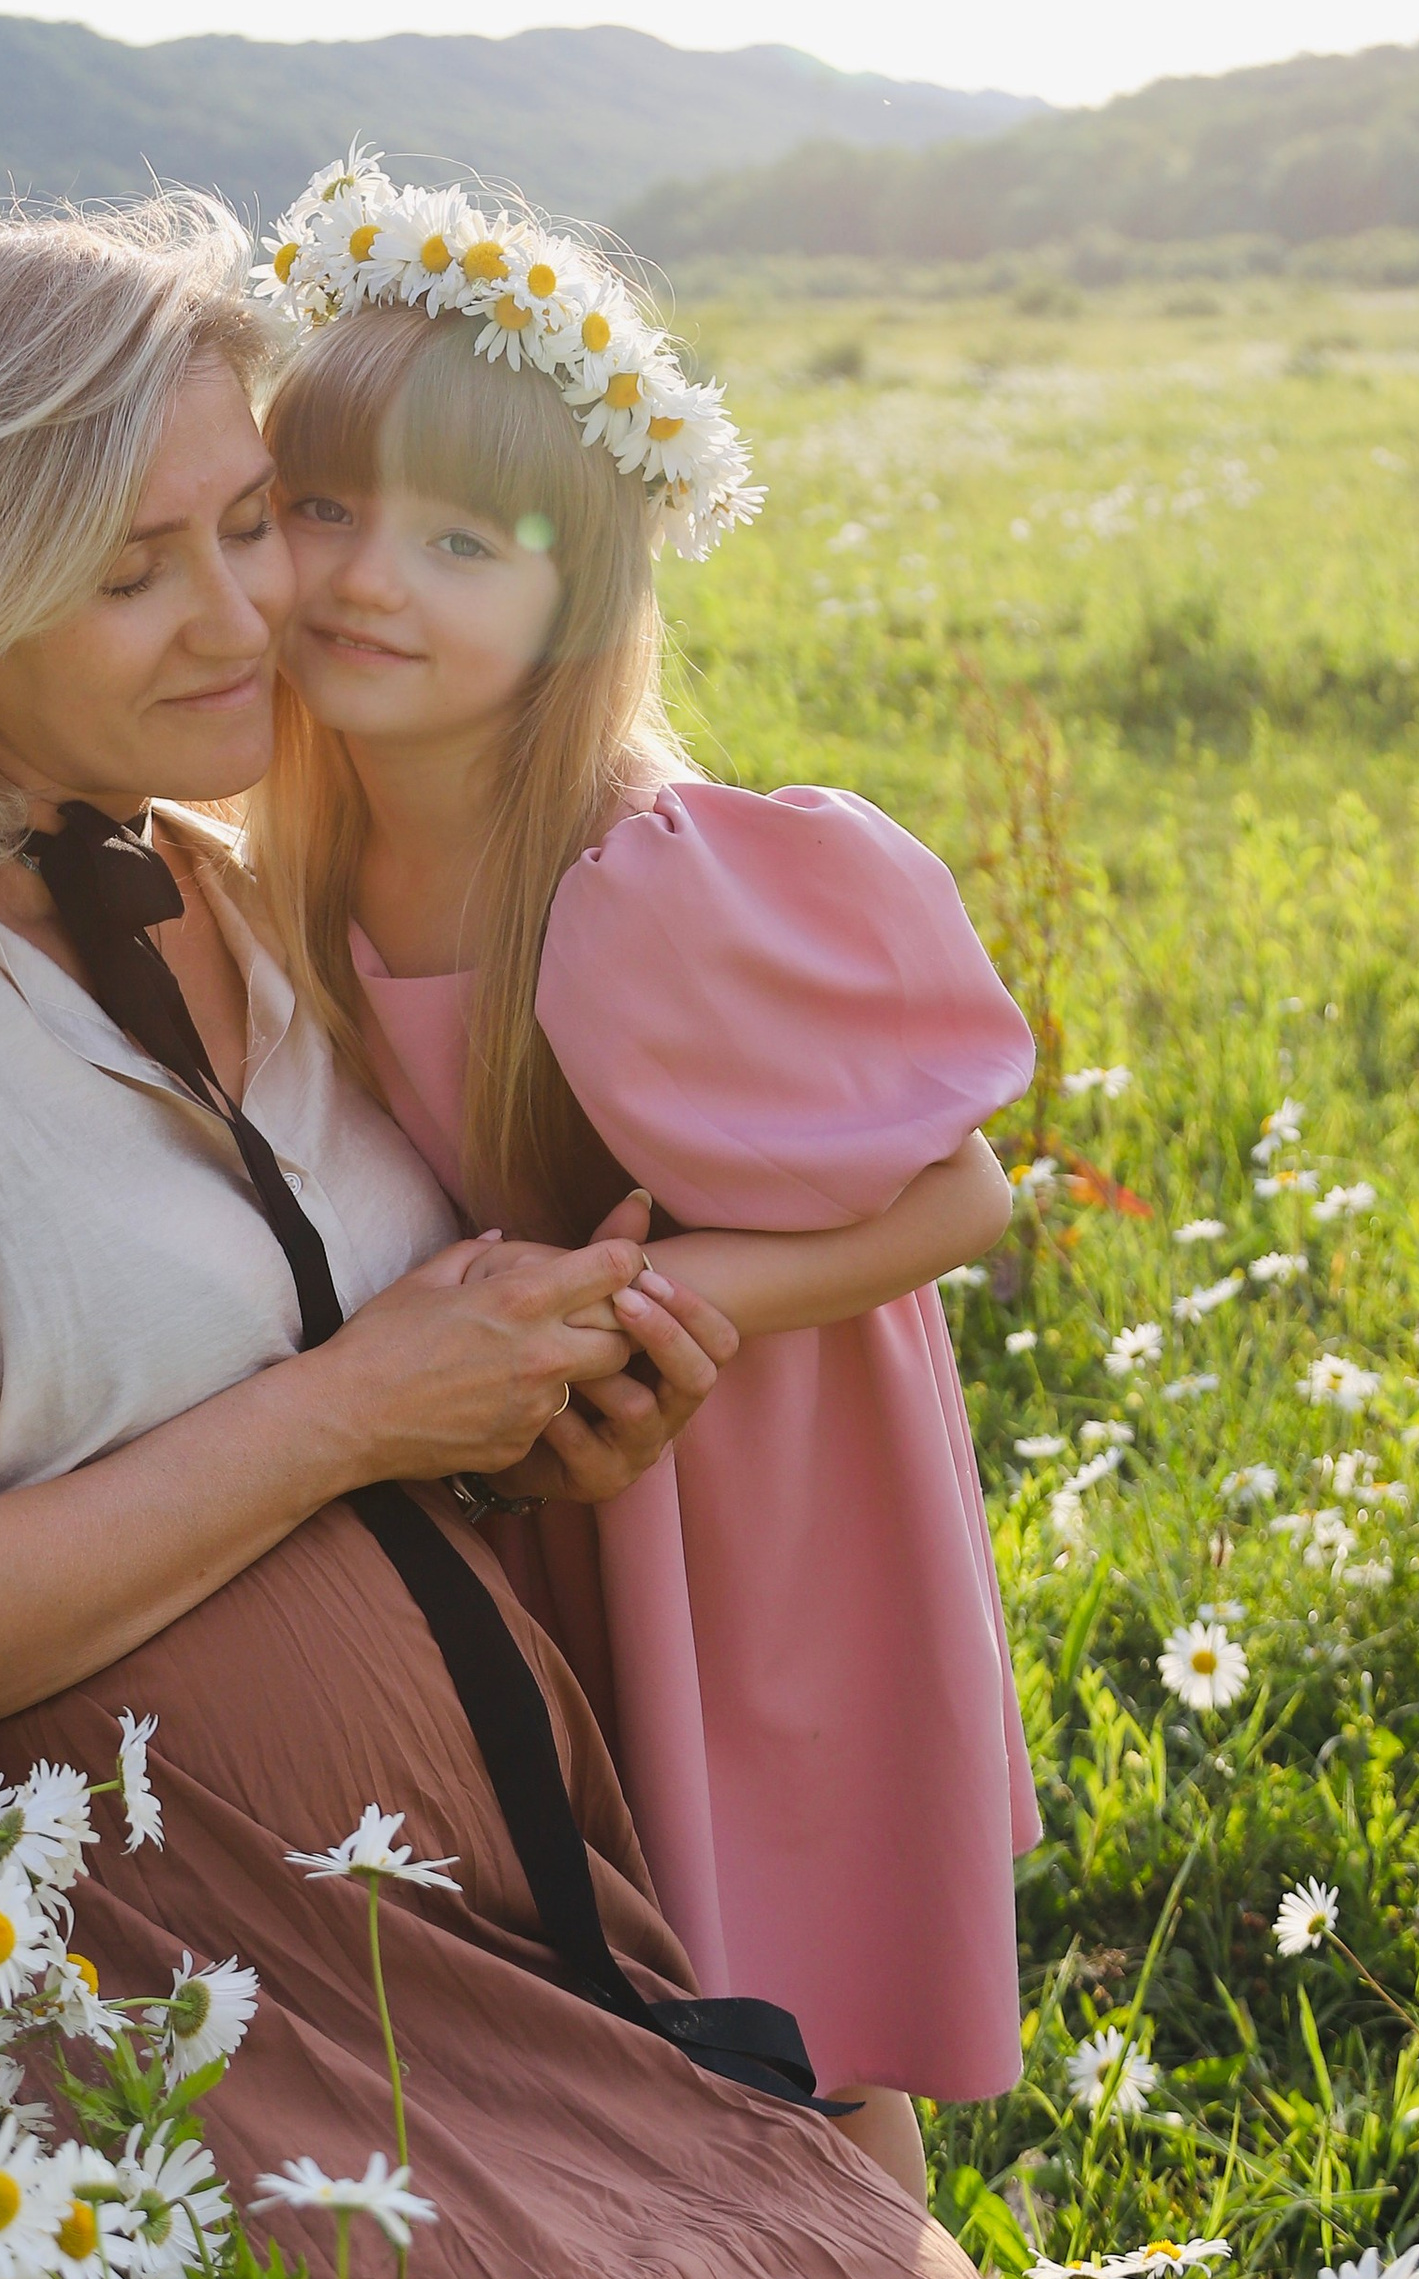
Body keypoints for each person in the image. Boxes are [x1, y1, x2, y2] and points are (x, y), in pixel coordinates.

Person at [0, 193, 978, 2274]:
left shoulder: (241, 890)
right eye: (132, 569)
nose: (244, 612)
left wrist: (524, 1407)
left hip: (448, 1928)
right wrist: (352, 1409)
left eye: (250, 517)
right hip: (133, 1985)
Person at [245, 155, 1040, 2198]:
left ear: (574, 588)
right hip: (523, 1465)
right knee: (609, 1983)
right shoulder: (291, 856)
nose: (364, 577)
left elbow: (963, 1198)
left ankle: (870, 2234)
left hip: (744, 1490)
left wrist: (659, 1299)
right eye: (320, 506)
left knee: (787, 1980)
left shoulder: (640, 883)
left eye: (455, 537)